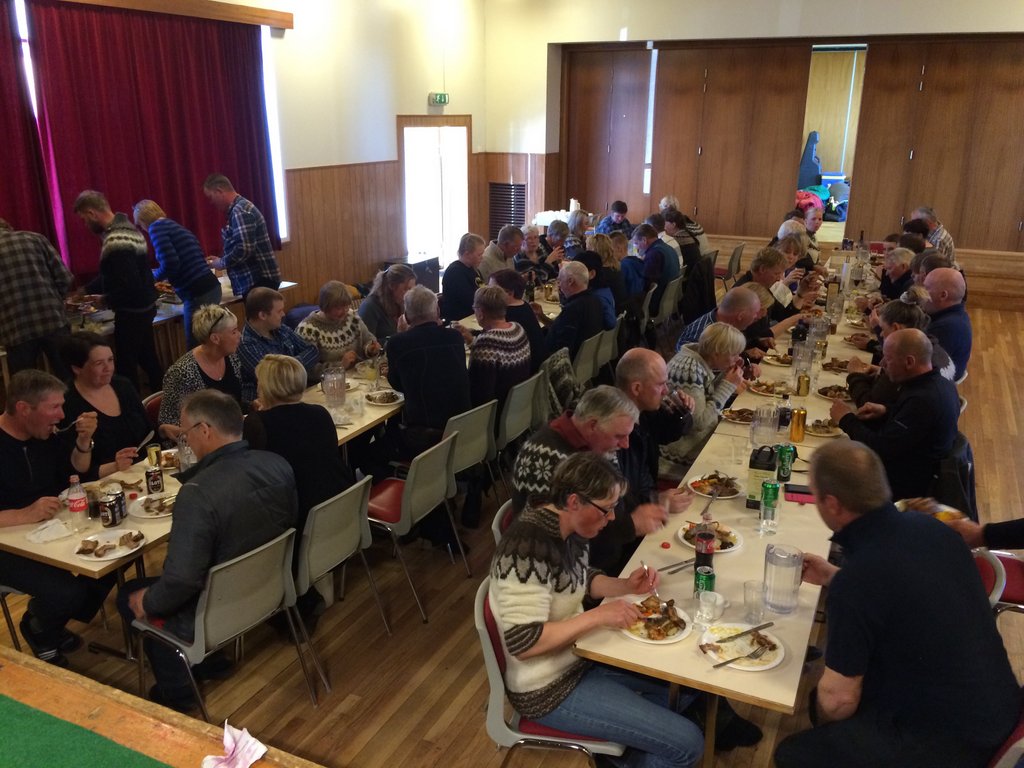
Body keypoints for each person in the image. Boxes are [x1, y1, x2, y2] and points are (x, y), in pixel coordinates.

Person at [774, 441, 1019, 768]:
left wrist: (821, 720)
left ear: (831, 504)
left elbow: (838, 701)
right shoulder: (933, 530)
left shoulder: (860, 578)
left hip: (952, 743)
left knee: (794, 752)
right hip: (1000, 708)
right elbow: (904, 593)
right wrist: (835, 576)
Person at [491, 452, 704, 768]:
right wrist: (599, 615)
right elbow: (524, 643)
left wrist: (625, 586)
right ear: (574, 501)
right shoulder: (526, 549)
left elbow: (578, 578)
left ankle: (621, 754)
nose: (613, 517)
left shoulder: (568, 526)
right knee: (689, 743)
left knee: (689, 688)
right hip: (547, 689)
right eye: (607, 509)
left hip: (581, 659)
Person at [119, 390, 297, 711]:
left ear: (204, 431)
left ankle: (179, 693)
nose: (184, 440)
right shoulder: (277, 463)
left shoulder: (197, 493)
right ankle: (211, 662)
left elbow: (181, 581)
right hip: (267, 588)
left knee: (130, 594)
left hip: (217, 611)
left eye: (185, 433)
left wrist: (147, 602)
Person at [0, 370, 110, 666]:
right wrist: (24, 514)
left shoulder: (45, 435)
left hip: (51, 531)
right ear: (24, 408)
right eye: (54, 407)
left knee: (113, 560)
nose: (62, 415)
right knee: (67, 591)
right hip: (7, 547)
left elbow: (77, 471)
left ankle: (51, 618)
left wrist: (84, 441)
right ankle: (40, 628)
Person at [244, 355, 354, 627]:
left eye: (260, 383)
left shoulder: (257, 424)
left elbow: (253, 477)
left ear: (268, 387)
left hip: (295, 518)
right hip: (335, 507)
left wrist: (261, 414)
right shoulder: (320, 414)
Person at [830, 329, 959, 500]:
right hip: (913, 468)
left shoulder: (922, 400)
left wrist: (845, 419)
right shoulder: (939, 384)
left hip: (901, 488)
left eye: (888, 358)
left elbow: (879, 448)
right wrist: (886, 411)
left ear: (909, 362)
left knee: (827, 467)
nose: (882, 363)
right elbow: (916, 425)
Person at [73, 190, 163, 392]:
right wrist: (86, 289)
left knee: (126, 367)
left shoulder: (115, 239)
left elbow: (129, 285)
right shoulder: (129, 229)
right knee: (147, 358)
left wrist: (104, 300)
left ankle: (133, 405)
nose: (86, 225)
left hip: (132, 311)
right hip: (145, 306)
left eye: (85, 219)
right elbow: (115, 274)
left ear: (92, 213)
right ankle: (162, 398)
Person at [384, 285, 471, 457]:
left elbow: (398, 385)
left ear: (407, 316)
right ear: (437, 311)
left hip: (426, 438)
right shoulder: (454, 337)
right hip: (462, 430)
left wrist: (400, 334)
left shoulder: (398, 343)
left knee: (368, 453)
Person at [132, 199, 222, 349]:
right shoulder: (175, 226)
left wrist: (152, 278)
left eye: (140, 225)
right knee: (209, 344)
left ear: (143, 220)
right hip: (211, 287)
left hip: (197, 292)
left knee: (195, 349)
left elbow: (171, 263)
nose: (143, 229)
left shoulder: (156, 228)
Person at [58, 332, 150, 478]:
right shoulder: (65, 403)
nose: (108, 368)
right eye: (99, 363)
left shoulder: (123, 386)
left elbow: (149, 431)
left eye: (110, 360)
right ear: (77, 368)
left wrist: (163, 430)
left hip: (144, 470)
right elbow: (73, 472)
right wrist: (114, 466)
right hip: (104, 482)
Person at [662, 323, 747, 466]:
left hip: (696, 448)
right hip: (681, 460)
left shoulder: (695, 359)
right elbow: (699, 423)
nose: (737, 358)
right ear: (716, 353)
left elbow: (706, 395)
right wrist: (728, 385)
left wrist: (726, 375)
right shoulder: (689, 369)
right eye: (734, 354)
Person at [0, 220, 73, 379]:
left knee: (26, 385)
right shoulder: (35, 239)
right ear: (7, 227)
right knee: (69, 378)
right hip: (53, 321)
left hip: (15, 331)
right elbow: (64, 278)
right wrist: (55, 300)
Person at [158, 304, 243, 439]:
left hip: (233, 434)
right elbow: (167, 423)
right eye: (234, 332)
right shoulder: (182, 372)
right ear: (215, 339)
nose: (239, 335)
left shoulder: (231, 357)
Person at [202, 173, 280, 297]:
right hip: (258, 282)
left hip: (259, 282)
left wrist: (221, 263)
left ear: (219, 191)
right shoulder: (240, 208)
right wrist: (220, 259)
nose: (211, 202)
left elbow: (244, 249)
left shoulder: (240, 210)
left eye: (211, 197)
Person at [237, 287, 320, 404]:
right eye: (279, 311)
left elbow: (313, 351)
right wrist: (293, 367)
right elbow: (274, 379)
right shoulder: (246, 344)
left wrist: (288, 366)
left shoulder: (281, 329)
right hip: (265, 405)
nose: (283, 314)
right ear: (262, 315)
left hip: (293, 397)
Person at [463, 285, 531, 410]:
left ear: (481, 313)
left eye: (474, 308)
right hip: (519, 407)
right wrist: (472, 342)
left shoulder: (486, 343)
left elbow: (479, 394)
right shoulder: (518, 328)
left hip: (496, 412)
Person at [297, 280, 380, 367]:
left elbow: (368, 339)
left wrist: (370, 349)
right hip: (332, 376)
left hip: (358, 372)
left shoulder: (352, 316)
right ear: (325, 306)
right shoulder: (307, 330)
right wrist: (340, 365)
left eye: (346, 306)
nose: (345, 311)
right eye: (338, 308)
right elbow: (307, 369)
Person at [543, 260, 607, 360]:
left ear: (570, 281)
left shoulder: (573, 309)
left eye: (560, 281)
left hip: (562, 364)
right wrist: (541, 316)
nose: (559, 286)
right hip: (586, 360)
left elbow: (561, 349)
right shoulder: (595, 300)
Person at [488, 269, 545, 372]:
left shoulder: (507, 315)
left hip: (524, 372)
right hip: (536, 370)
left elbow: (490, 345)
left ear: (509, 293)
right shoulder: (525, 306)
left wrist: (471, 339)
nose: (488, 294)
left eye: (493, 290)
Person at [675, 287, 761, 352]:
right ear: (741, 316)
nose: (757, 317)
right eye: (755, 313)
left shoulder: (724, 325)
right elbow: (687, 368)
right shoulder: (702, 337)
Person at [923, 267, 971, 380]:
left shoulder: (945, 328)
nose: (921, 293)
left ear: (943, 295)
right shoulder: (957, 315)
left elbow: (921, 369)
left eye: (926, 288)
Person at [357, 263, 416, 342]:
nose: (410, 294)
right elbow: (366, 344)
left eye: (412, 289)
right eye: (406, 289)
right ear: (392, 286)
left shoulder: (400, 302)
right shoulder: (370, 307)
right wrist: (400, 336)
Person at [632, 223, 679, 310]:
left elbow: (646, 283)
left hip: (657, 301)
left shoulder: (654, 254)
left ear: (644, 240)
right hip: (669, 298)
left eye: (636, 243)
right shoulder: (668, 248)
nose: (637, 248)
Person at [441, 233, 485, 322]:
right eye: (479, 255)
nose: (482, 258)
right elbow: (470, 300)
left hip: (473, 316)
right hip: (460, 319)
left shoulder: (474, 270)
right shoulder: (455, 272)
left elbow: (483, 289)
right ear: (467, 254)